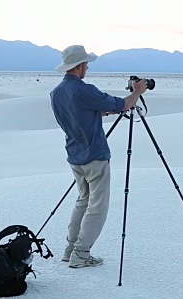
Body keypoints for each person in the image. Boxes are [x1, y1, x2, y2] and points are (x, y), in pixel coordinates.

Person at [50, 45, 148, 268]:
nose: (87, 68)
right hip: (95, 154)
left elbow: (79, 114)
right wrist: (137, 92)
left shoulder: (56, 93)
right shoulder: (85, 90)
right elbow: (122, 104)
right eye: (86, 64)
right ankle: (81, 254)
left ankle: (69, 250)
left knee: (82, 201)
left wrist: (101, 111)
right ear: (79, 66)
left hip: (75, 155)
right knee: (97, 206)